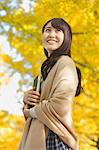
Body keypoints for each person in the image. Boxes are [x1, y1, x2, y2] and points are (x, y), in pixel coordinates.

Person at [21, 18, 82, 150]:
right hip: (43, 136)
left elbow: (60, 105)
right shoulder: (44, 72)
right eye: (47, 30)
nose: (51, 34)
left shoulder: (65, 63)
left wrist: (30, 111)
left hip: (55, 138)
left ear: (66, 38)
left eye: (58, 30)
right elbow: (35, 112)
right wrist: (27, 100)